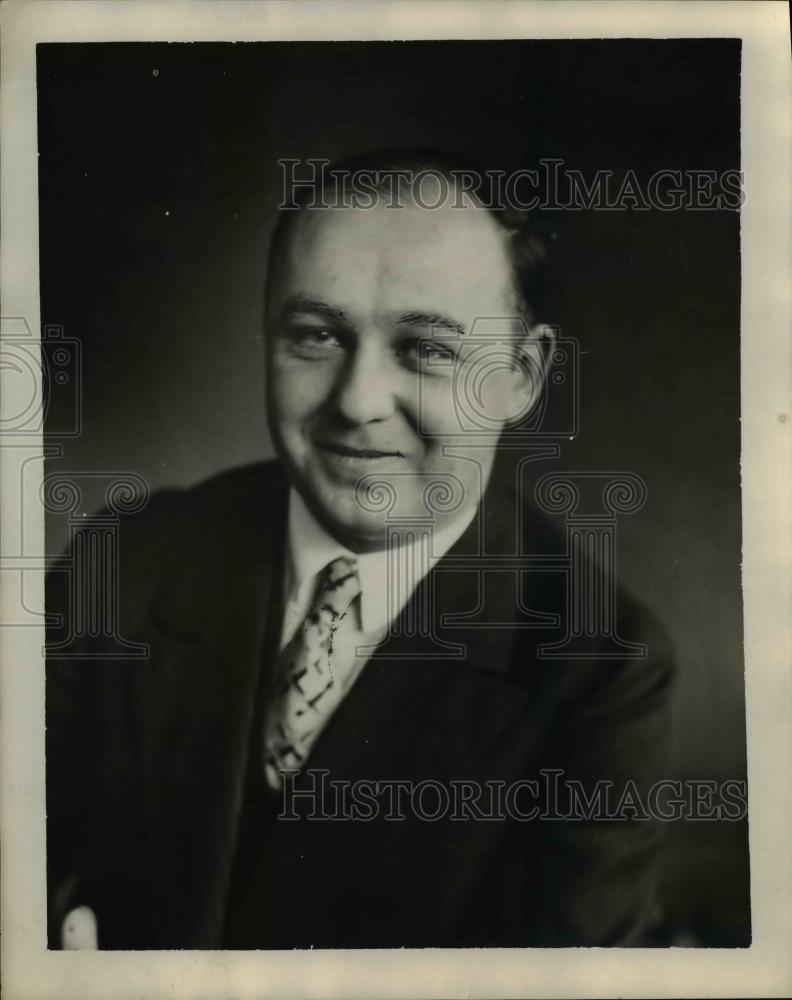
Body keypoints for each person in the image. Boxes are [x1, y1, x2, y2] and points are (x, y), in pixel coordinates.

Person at [46, 152, 674, 949]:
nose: (356, 402)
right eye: (316, 335)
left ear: (521, 376)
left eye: (426, 349)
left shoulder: (601, 671)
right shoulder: (127, 560)